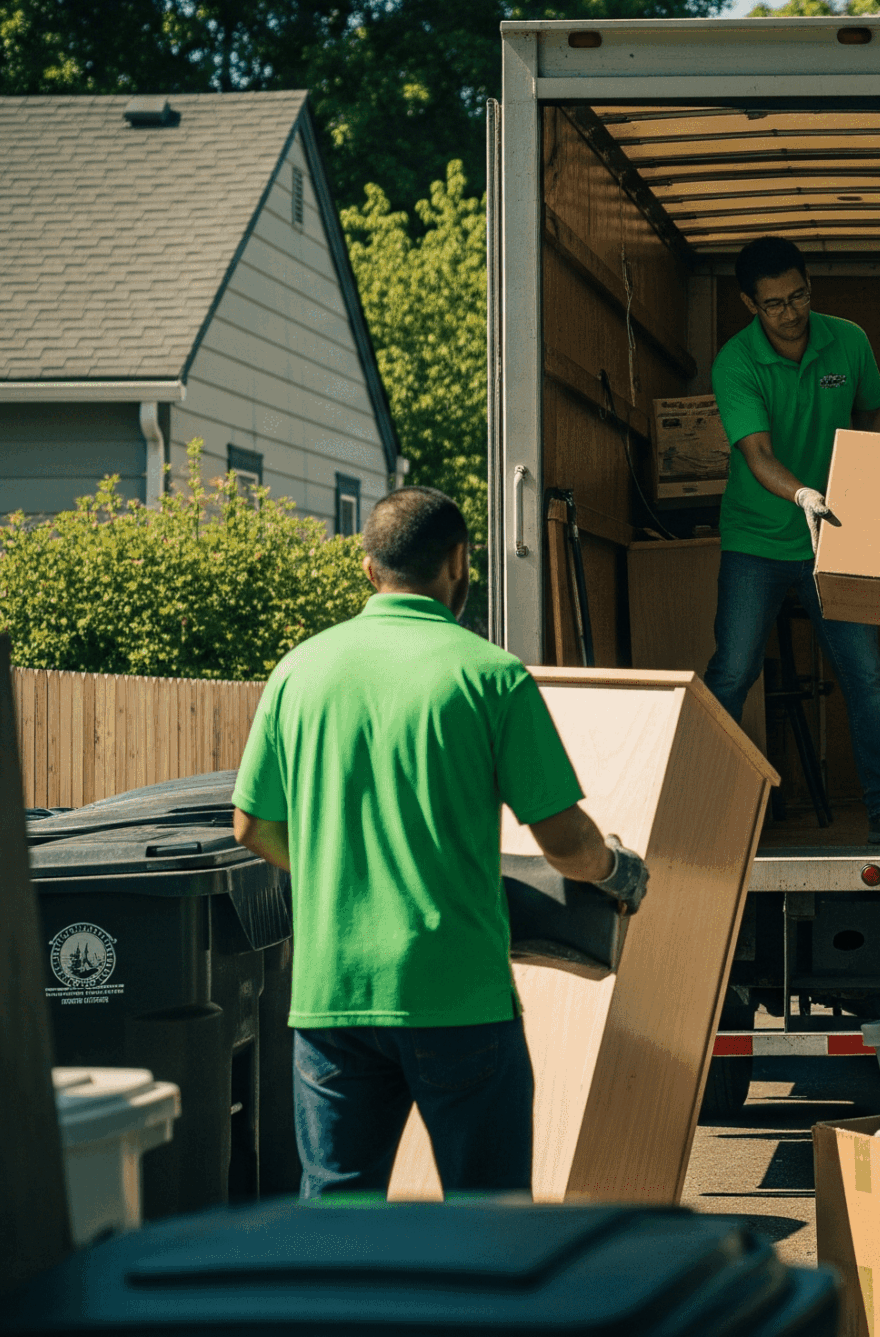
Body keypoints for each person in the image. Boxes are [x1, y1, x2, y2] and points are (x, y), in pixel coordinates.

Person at [231, 486, 650, 1199]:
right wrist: (617, 872)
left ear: (370, 569)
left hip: (332, 996)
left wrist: (344, 868)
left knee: (338, 1223)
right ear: (459, 562)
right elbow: (563, 840)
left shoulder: (299, 672)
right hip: (457, 998)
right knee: (485, 1224)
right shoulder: (488, 676)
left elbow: (251, 827)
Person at [703, 235, 880, 846]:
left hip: (838, 537)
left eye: (799, 294)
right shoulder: (736, 362)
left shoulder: (847, 340)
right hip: (758, 538)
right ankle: (700, 806)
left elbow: (874, 415)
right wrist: (803, 493)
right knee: (731, 672)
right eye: (774, 302)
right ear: (750, 304)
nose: (790, 311)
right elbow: (757, 455)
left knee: (866, 675)